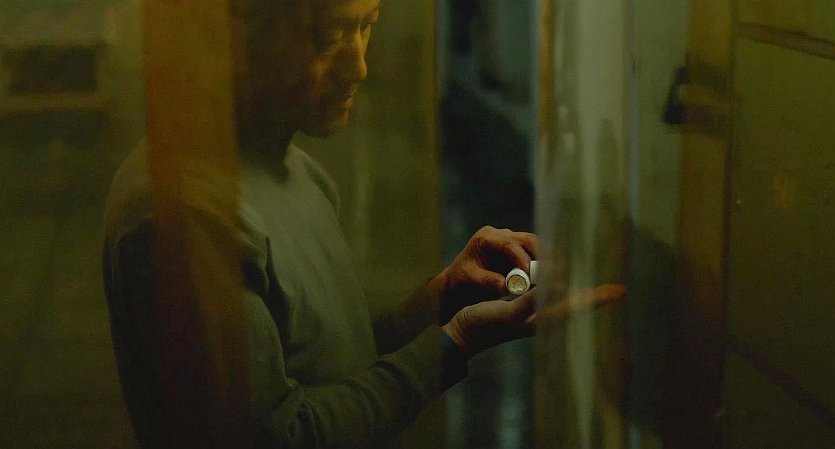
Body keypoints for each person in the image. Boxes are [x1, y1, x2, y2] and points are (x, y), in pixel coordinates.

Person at [103, 1, 614, 447]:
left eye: (367, 25)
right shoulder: (187, 214)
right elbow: (278, 437)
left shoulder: (297, 170)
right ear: (241, 36)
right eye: (329, 36)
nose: (359, 66)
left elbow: (324, 360)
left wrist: (438, 301)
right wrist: (455, 341)